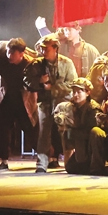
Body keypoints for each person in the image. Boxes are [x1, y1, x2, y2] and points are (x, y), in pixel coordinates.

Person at [23, 33, 78, 173]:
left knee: (65, 133)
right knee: (43, 134)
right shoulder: (37, 64)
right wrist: (39, 82)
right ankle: (42, 163)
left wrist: (53, 88)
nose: (43, 51)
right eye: (42, 49)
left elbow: (72, 84)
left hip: (63, 103)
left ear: (55, 48)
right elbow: (26, 80)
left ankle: (70, 163)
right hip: (45, 103)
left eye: (46, 49)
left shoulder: (67, 63)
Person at [0, 38, 38, 170]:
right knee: (2, 129)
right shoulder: (3, 59)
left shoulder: (30, 63)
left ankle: (45, 157)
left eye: (13, 53)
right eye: (8, 52)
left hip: (23, 99)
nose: (9, 56)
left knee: (31, 129)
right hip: (6, 98)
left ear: (22, 54)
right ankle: (4, 160)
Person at [62, 78, 105, 175]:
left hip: (92, 146)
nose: (75, 95)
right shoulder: (74, 107)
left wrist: (73, 132)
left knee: (95, 131)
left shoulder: (93, 109)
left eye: (79, 92)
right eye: (74, 92)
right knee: (70, 167)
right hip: (81, 145)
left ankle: (96, 166)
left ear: (87, 92)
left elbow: (89, 131)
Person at [35, 17, 100, 78]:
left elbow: (98, 73)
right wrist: (56, 34)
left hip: (82, 85)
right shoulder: (59, 47)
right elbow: (42, 45)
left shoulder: (91, 51)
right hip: (63, 85)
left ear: (78, 29)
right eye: (65, 29)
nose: (67, 31)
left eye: (70, 28)